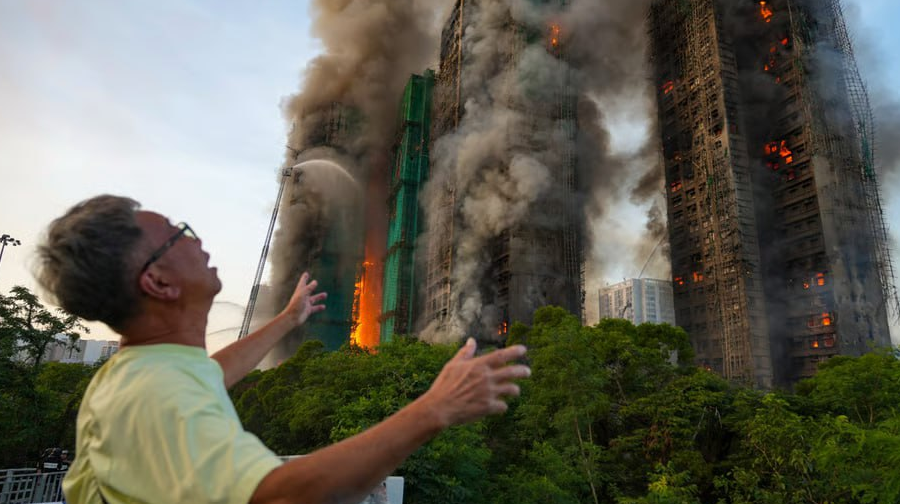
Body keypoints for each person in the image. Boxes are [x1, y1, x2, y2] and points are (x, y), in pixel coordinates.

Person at [36, 195, 530, 504]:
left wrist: (287, 320)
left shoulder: (141, 371)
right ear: (158, 281)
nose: (198, 238)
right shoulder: (156, 396)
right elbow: (284, 496)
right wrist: (434, 409)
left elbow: (211, 373)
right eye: (178, 234)